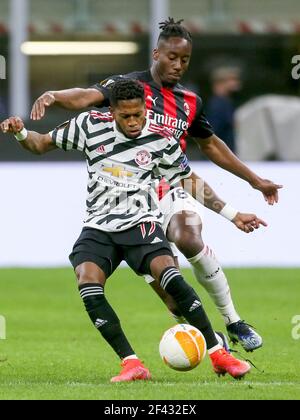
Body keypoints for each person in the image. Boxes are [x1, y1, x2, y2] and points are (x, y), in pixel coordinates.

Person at [30, 18, 283, 352]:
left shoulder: (189, 102)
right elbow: (86, 97)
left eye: (185, 60)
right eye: (172, 57)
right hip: (131, 200)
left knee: (188, 236)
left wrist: (255, 180)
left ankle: (234, 320)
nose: (178, 65)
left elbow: (210, 144)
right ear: (156, 53)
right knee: (173, 297)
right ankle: (211, 344)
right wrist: (54, 95)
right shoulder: (128, 86)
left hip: (172, 185)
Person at [1, 79, 266, 381]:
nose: (133, 122)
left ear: (144, 109)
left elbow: (189, 180)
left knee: (170, 278)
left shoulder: (160, 137)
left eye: (138, 114)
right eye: (125, 116)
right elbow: (39, 144)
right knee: (87, 282)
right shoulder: (88, 125)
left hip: (141, 224)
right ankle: (132, 364)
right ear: (111, 111)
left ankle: (218, 354)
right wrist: (21, 131)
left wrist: (232, 214)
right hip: (99, 227)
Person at [206, 66, 242, 152]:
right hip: (220, 155)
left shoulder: (227, 102)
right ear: (220, 83)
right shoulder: (217, 104)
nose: (236, 82)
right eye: (232, 79)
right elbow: (213, 133)